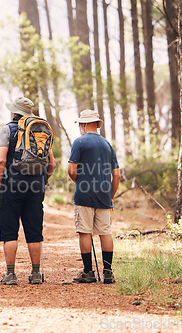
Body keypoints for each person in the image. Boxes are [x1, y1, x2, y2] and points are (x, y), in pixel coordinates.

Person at [0, 97, 56, 285]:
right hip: (36, 185)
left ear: (14, 112)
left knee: (9, 230)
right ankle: (36, 273)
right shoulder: (41, 129)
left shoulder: (8, 129)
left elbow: (1, 161)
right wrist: (43, 179)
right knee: (34, 229)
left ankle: (11, 274)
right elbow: (52, 164)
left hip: (11, 184)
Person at [67, 109, 121, 284]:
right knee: (105, 232)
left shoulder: (79, 142)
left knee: (85, 232)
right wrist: (110, 195)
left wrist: (79, 181)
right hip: (104, 194)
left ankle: (88, 272)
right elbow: (117, 175)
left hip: (84, 194)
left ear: (83, 124)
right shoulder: (107, 145)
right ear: (96, 124)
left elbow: (71, 170)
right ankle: (107, 272)